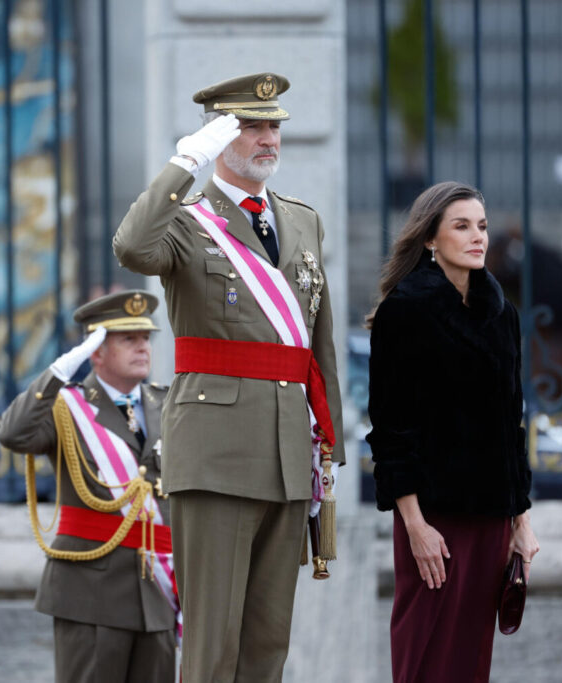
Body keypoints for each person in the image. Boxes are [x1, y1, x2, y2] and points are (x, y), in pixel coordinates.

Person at [113, 72, 345, 681]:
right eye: (250, 126)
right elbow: (133, 248)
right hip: (216, 454)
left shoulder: (303, 221)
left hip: (288, 451)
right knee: (212, 647)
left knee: (267, 645)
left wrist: (329, 437)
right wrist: (187, 161)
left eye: (273, 126)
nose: (268, 138)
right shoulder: (187, 222)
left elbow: (314, 339)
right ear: (219, 136)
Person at [365, 182, 540, 683]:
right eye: (461, 226)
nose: (477, 236)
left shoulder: (502, 315)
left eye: (481, 226)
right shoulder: (405, 310)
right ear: (429, 240)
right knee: (423, 657)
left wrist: (520, 518)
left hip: (491, 521)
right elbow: (391, 430)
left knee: (469, 663)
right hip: (433, 522)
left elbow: (512, 424)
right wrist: (415, 527)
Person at [0, 290, 177, 683]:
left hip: (158, 595)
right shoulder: (66, 407)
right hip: (92, 596)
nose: (142, 347)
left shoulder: (169, 405)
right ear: (96, 351)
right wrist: (62, 370)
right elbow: (14, 434)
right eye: (127, 339)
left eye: (145, 338)